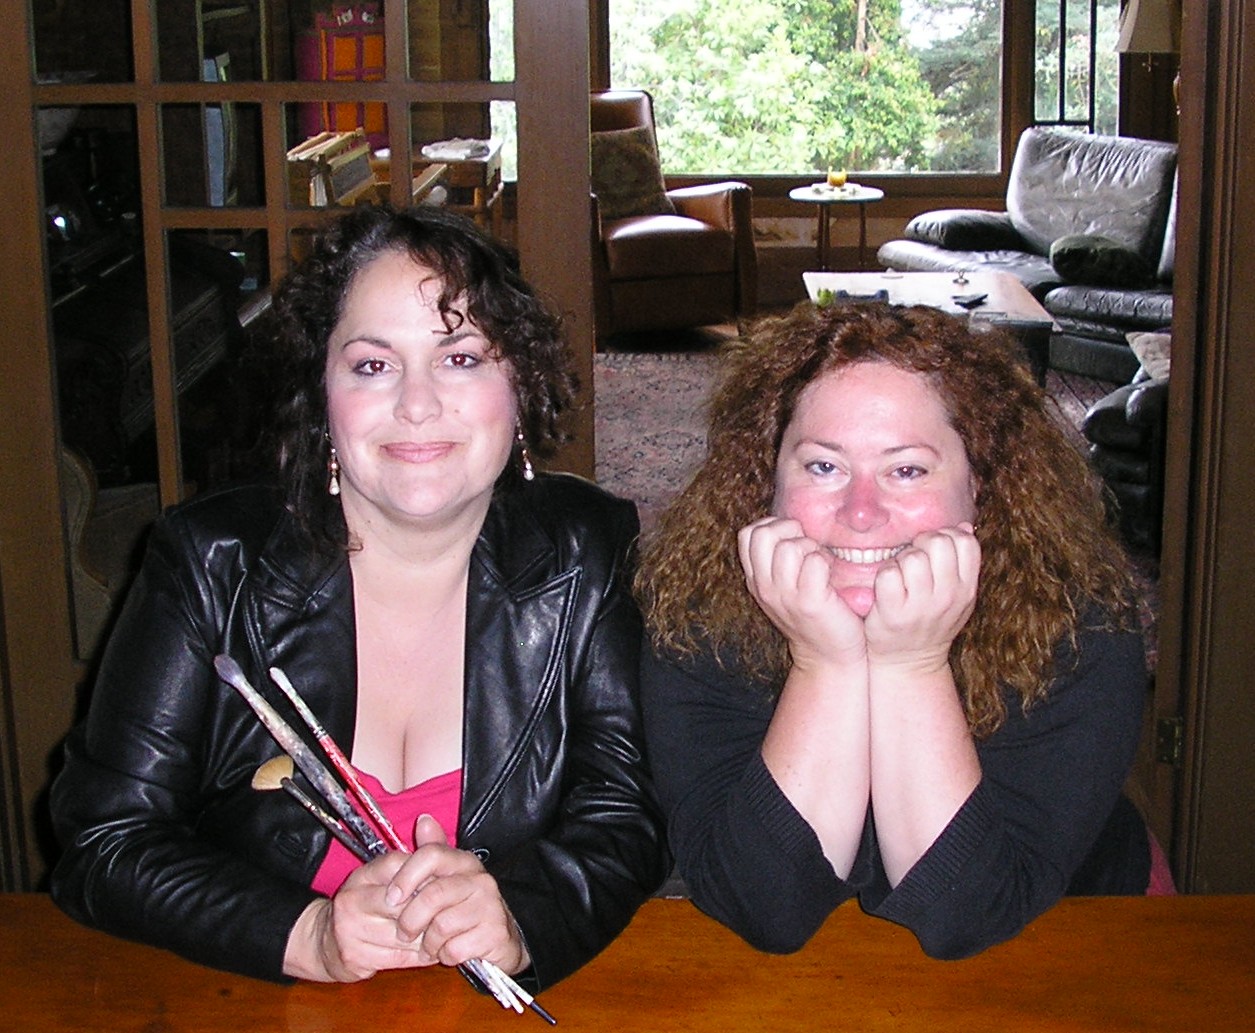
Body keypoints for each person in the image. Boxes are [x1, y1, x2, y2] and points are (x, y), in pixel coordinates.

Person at [50, 204, 670, 988]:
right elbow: (103, 841)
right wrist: (304, 934)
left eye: (460, 357)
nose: (417, 404)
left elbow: (625, 814)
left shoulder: (586, 547)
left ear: (520, 383)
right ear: (322, 395)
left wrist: (521, 918)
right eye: (373, 366)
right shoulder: (212, 562)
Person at [636, 299, 1156, 961]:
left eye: (906, 469)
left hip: (1066, 953)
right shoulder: (696, 612)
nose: (860, 511)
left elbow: (966, 915)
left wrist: (912, 664)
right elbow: (763, 905)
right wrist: (824, 663)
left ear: (981, 484)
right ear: (767, 478)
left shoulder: (1078, 620)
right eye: (823, 466)